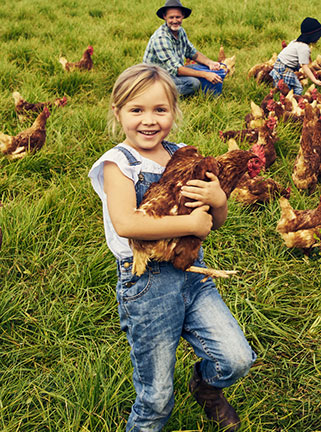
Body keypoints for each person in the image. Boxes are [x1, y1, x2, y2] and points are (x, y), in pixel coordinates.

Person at [89, 63, 256, 432]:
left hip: (193, 275)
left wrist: (218, 200)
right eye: (136, 110)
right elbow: (127, 224)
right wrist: (193, 224)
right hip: (147, 285)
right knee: (157, 395)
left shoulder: (184, 154)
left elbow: (217, 221)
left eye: (160, 110)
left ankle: (207, 387)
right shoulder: (119, 165)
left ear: (174, 112)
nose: (149, 121)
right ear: (118, 114)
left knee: (237, 358)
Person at [143, 0, 223, 96]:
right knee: (194, 83)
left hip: (172, 72)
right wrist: (205, 74)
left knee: (203, 67)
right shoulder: (161, 38)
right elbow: (177, 69)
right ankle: (157, 93)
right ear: (165, 17)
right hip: (156, 77)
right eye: (171, 17)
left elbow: (192, 53)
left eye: (178, 17)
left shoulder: (180, 31)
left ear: (183, 16)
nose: (175, 21)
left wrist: (210, 63)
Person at [269, 17, 321, 95]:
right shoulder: (304, 48)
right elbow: (305, 66)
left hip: (279, 64)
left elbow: (305, 65)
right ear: (314, 36)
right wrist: (314, 80)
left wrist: (314, 72)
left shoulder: (295, 41)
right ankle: (293, 100)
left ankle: (280, 89)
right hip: (285, 68)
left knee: (285, 85)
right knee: (298, 88)